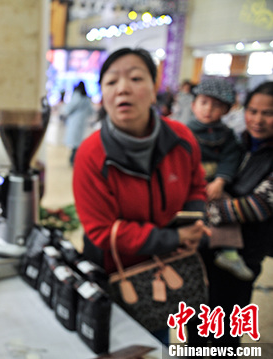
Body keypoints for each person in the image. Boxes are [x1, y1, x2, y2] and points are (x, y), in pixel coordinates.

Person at [72, 48, 210, 344]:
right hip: (115, 274)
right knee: (120, 343)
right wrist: (174, 237)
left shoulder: (182, 139)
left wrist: (194, 222)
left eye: (135, 78)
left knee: (157, 337)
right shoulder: (91, 155)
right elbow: (100, 230)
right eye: (111, 82)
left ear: (153, 90)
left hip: (171, 265)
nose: (123, 88)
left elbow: (196, 185)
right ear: (103, 94)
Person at [188, 81, 273, 353]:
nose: (258, 120)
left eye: (268, 113)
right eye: (253, 111)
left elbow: (258, 206)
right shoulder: (240, 141)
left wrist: (197, 211)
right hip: (206, 246)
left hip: (244, 253)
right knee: (198, 317)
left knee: (227, 327)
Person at [187, 77, 252, 281]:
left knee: (226, 207)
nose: (208, 109)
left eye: (216, 105)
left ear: (226, 110)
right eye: (204, 103)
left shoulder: (228, 134)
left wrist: (220, 180)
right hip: (188, 184)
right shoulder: (184, 130)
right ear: (193, 105)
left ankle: (229, 252)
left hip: (214, 185)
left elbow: (230, 158)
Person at [61, 81, 94, 165]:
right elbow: (91, 111)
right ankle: (74, 159)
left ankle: (73, 159)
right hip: (82, 121)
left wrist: (64, 113)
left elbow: (69, 107)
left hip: (74, 121)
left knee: (75, 142)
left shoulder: (76, 96)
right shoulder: (86, 98)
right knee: (78, 141)